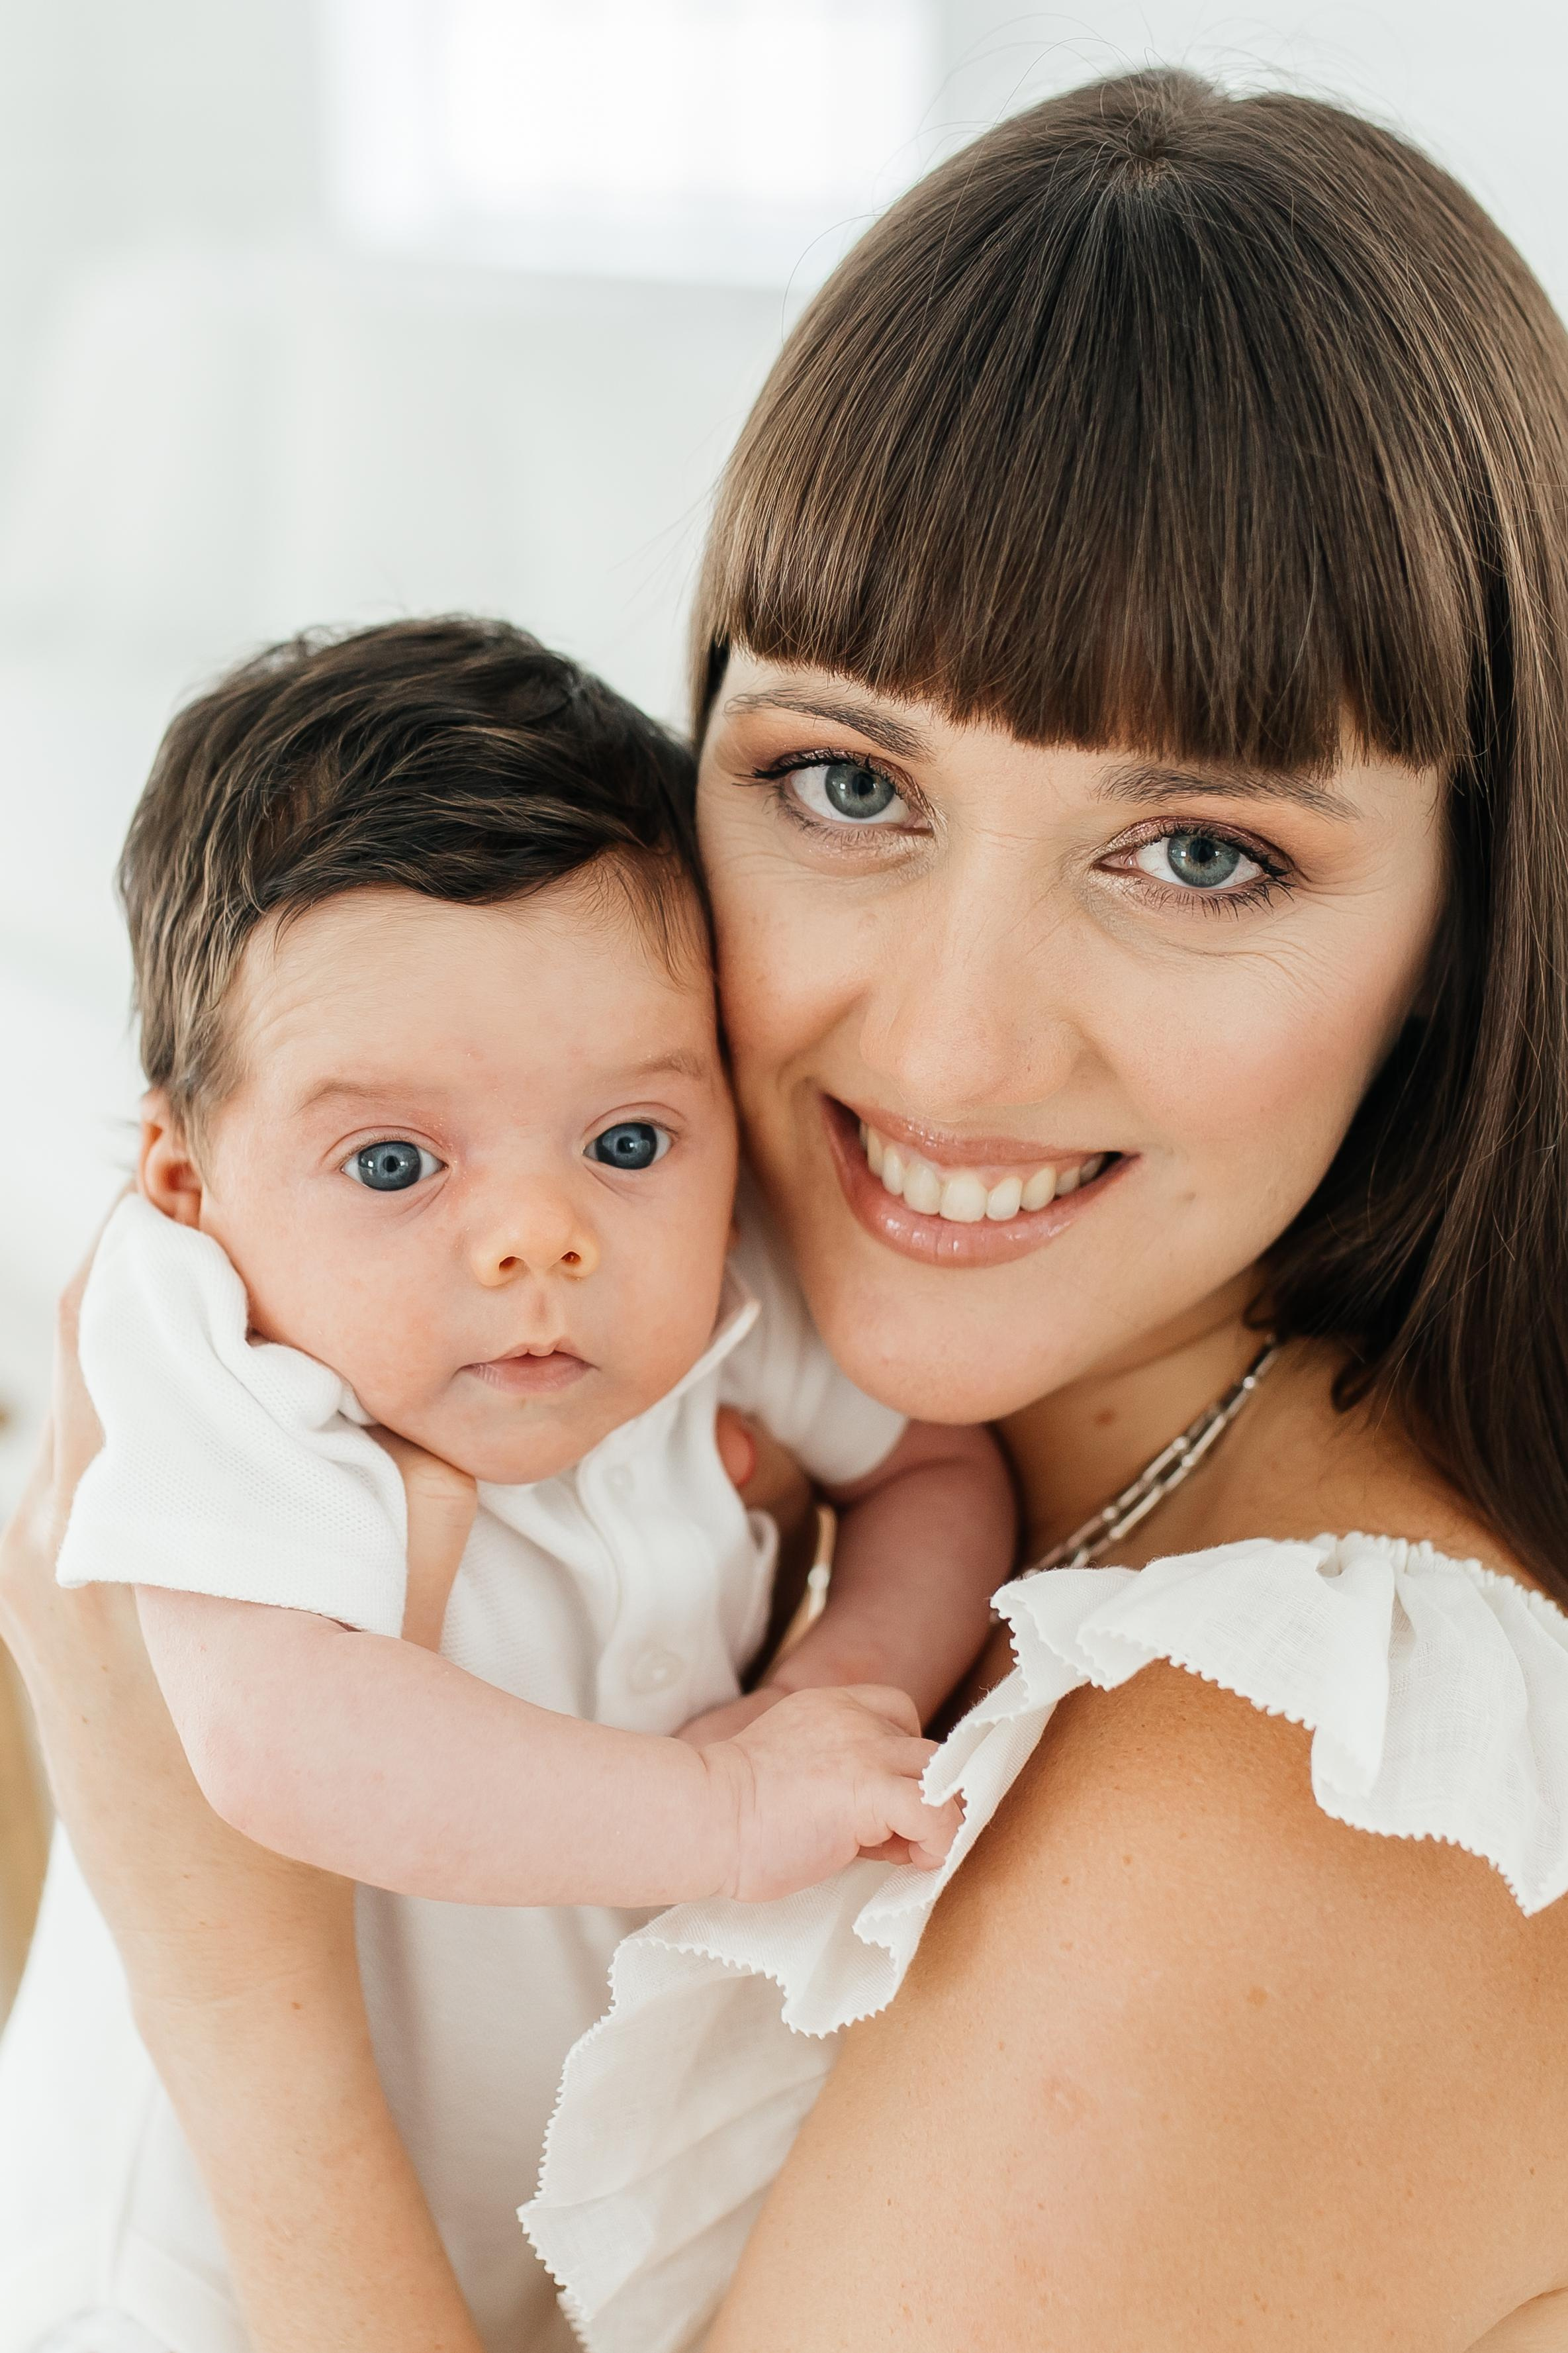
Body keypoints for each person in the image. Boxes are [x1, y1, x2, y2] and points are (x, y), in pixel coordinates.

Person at [9, 60, 1568, 2352]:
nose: (943, 1050)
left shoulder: (1296, 1794)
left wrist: (228, 1954)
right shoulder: (742, 1383)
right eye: (846, 783)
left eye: (1200, 854)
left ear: (1463, 924)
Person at [0, 616, 1007, 2353]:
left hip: (554, 2227)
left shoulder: (704, 1274)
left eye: (625, 1137)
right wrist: (721, 1816)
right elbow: (273, 1739)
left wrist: (843, 1680)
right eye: (394, 1161)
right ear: (185, 1168)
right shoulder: (206, 1325)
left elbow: (932, 1460)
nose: (538, 1230)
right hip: (192, 2267)